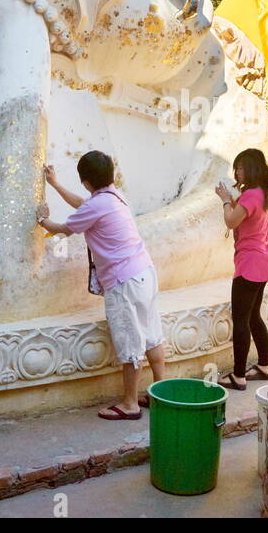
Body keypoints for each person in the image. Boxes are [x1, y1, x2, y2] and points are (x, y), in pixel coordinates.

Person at [37, 151, 166, 420]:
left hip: (124, 281)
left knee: (131, 344)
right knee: (152, 334)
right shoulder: (114, 197)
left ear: (85, 181)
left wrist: (41, 219)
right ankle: (160, 392)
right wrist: (56, 184)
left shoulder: (97, 205)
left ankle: (130, 404)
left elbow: (63, 228)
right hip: (144, 272)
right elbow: (84, 205)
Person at [215, 148, 268, 390]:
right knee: (253, 316)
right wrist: (230, 199)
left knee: (240, 319)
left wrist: (223, 202)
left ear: (249, 168)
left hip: (249, 265)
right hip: (262, 263)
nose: (237, 172)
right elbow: (243, 217)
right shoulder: (262, 193)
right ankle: (264, 364)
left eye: (240, 167)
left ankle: (238, 376)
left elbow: (231, 221)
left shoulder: (250, 195)